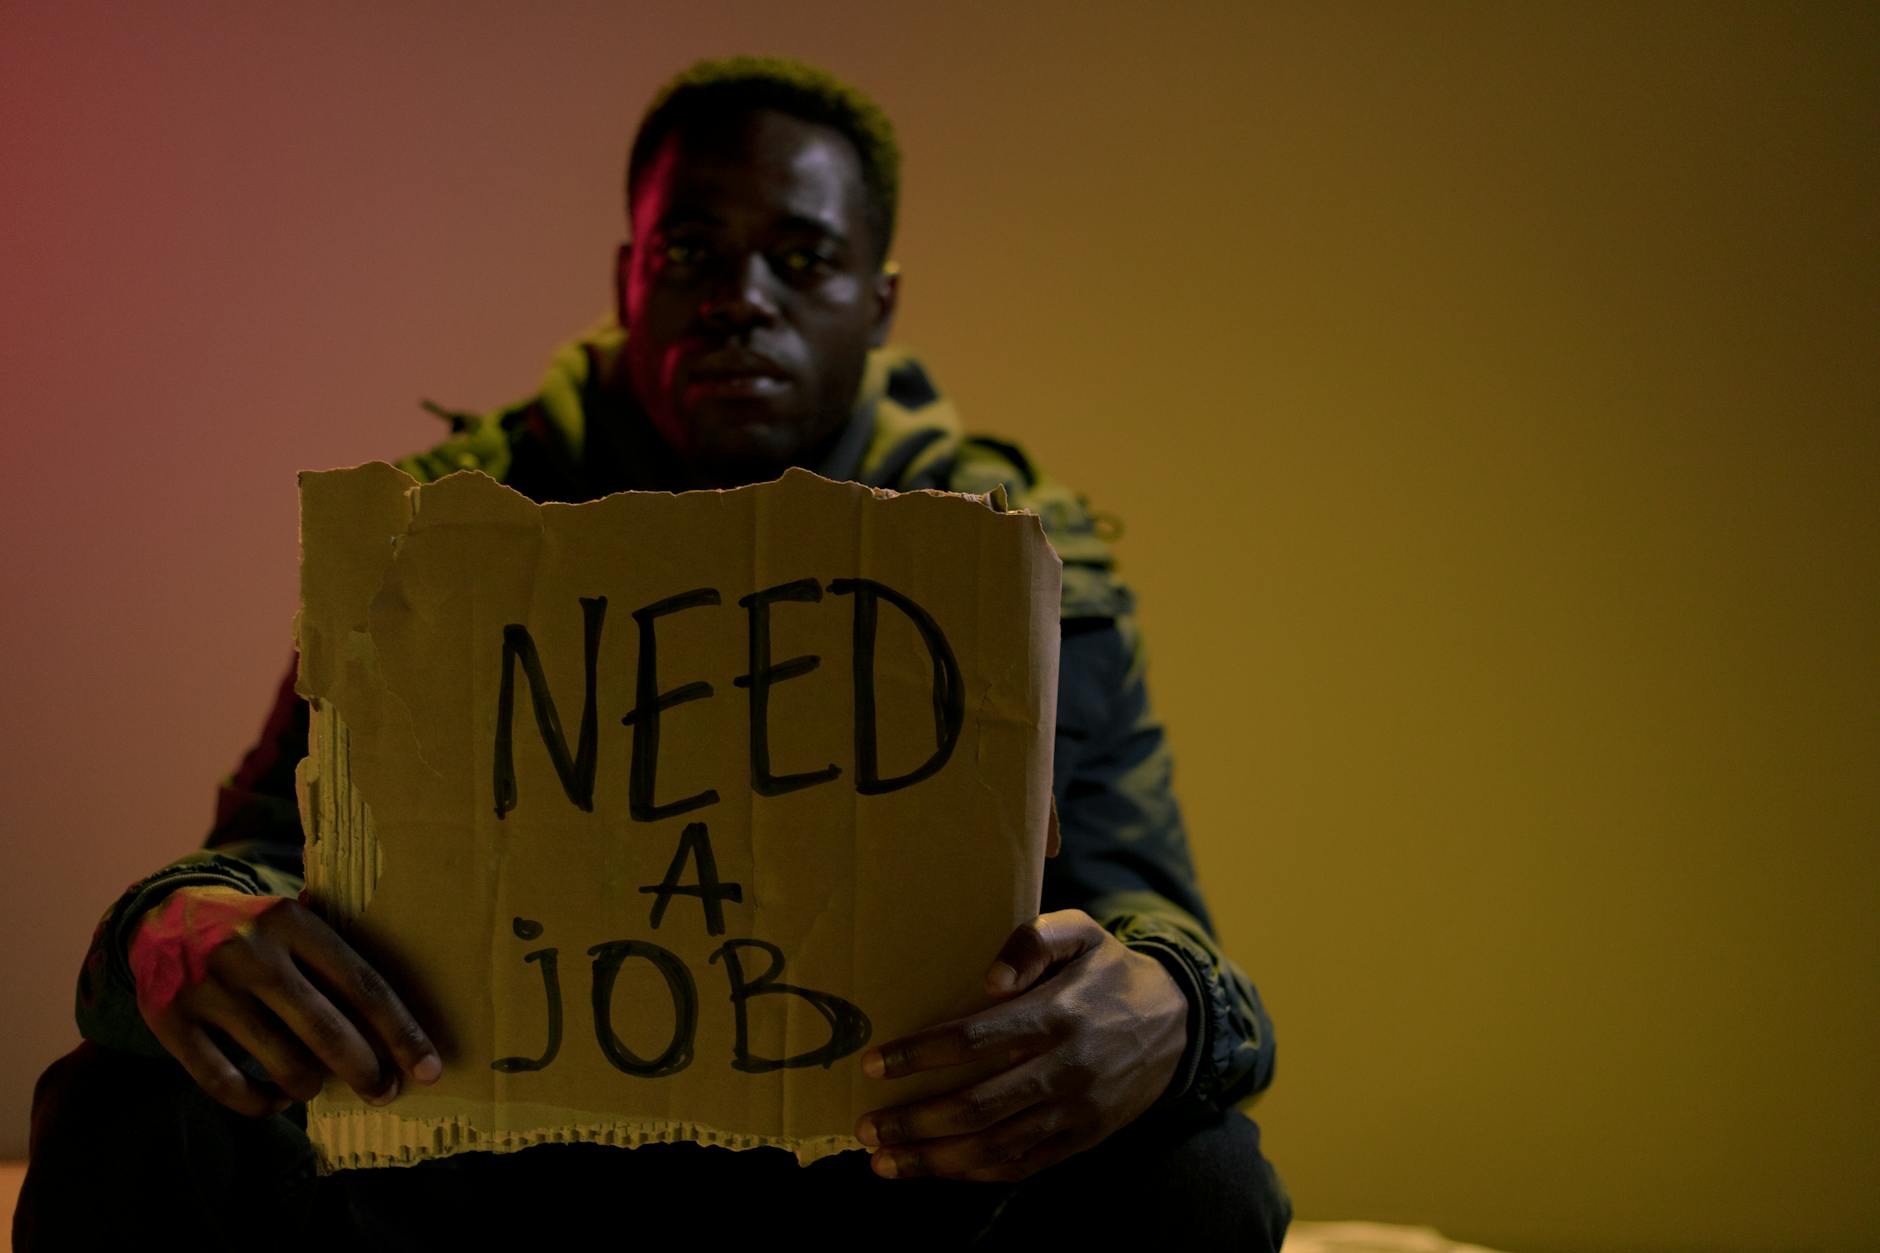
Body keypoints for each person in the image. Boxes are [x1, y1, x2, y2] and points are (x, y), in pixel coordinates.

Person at [19, 56, 1289, 1249]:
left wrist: (1169, 1012)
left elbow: (1147, 902)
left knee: (1198, 1172)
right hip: (495, 1167)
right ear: (629, 277)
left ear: (879, 303)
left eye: (803, 259)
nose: (741, 298)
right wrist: (172, 928)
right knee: (127, 1108)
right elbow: (259, 855)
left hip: (874, 1172)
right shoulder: (448, 529)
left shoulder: (1013, 564)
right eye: (693, 253)